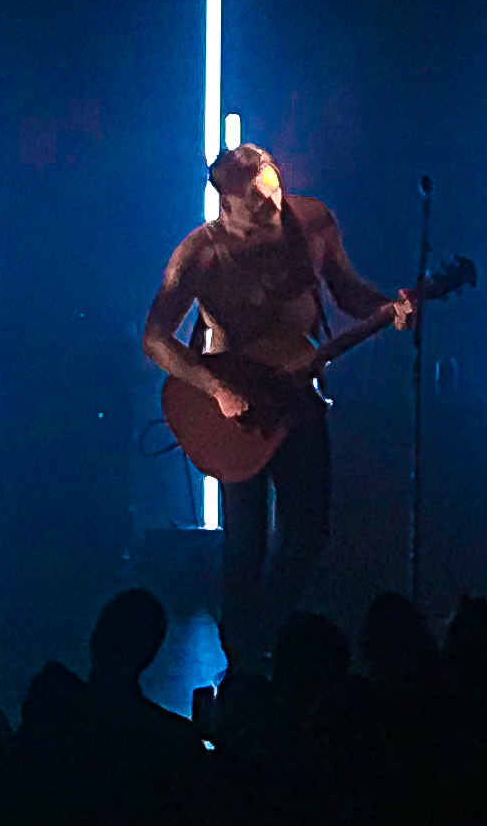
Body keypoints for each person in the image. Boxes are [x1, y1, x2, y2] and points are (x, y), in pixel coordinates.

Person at [142, 142, 416, 670]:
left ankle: (264, 632)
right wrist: (216, 390)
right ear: (227, 203)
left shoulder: (311, 224)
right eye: (259, 202)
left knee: (309, 531)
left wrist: (389, 307)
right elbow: (155, 338)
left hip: (298, 398)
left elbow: (348, 291)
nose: (275, 208)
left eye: (277, 193)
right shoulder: (199, 254)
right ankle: (241, 654)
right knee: (245, 539)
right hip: (238, 412)